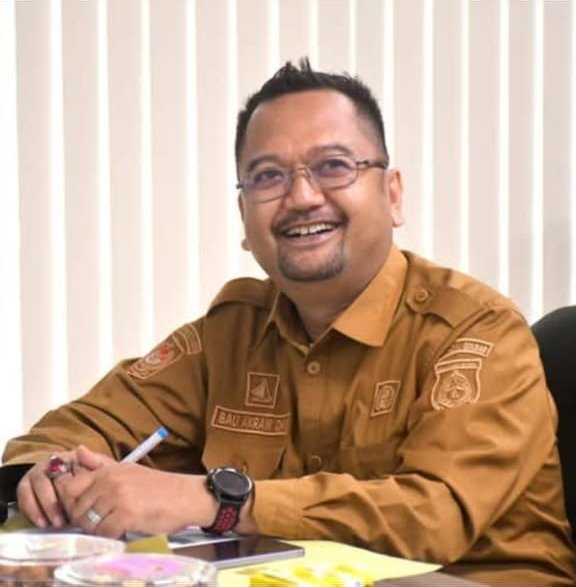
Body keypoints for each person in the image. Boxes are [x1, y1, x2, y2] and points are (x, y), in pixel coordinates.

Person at [1, 58, 575, 586]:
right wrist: (52, 476)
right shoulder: (230, 334)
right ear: (244, 217)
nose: (301, 197)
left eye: (334, 167)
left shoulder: (477, 332)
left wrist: (216, 502)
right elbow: (76, 428)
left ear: (393, 194)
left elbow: (433, 517)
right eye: (268, 177)